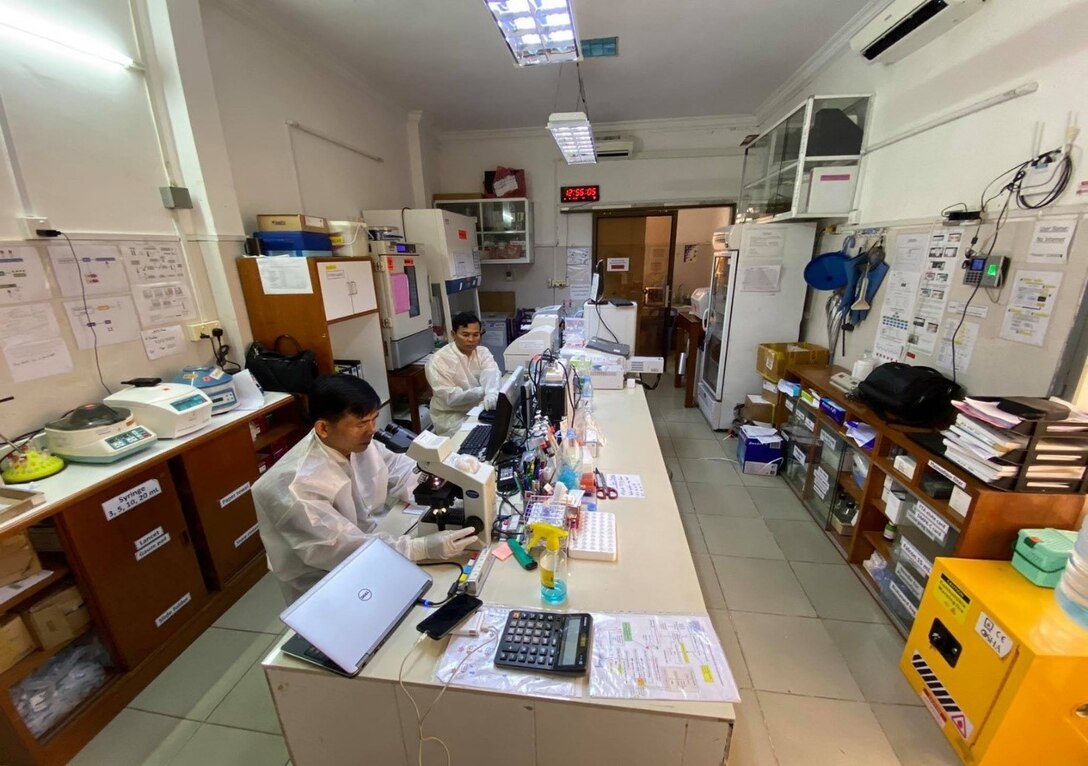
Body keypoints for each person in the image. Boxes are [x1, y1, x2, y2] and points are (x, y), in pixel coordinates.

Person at [253, 374, 477, 603]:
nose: (371, 430)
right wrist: (420, 549)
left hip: (376, 546)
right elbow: (339, 548)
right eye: (361, 423)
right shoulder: (295, 485)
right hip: (327, 580)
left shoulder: (358, 444)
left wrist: (451, 474)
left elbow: (402, 470)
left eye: (374, 419)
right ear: (323, 428)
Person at [426, 311, 501, 435]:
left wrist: (491, 392)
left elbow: (492, 372)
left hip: (479, 409)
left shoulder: (482, 352)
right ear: (453, 334)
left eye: (476, 335)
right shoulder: (438, 360)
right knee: (469, 441)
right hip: (451, 415)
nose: (471, 340)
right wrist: (485, 391)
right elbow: (451, 397)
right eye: (465, 335)